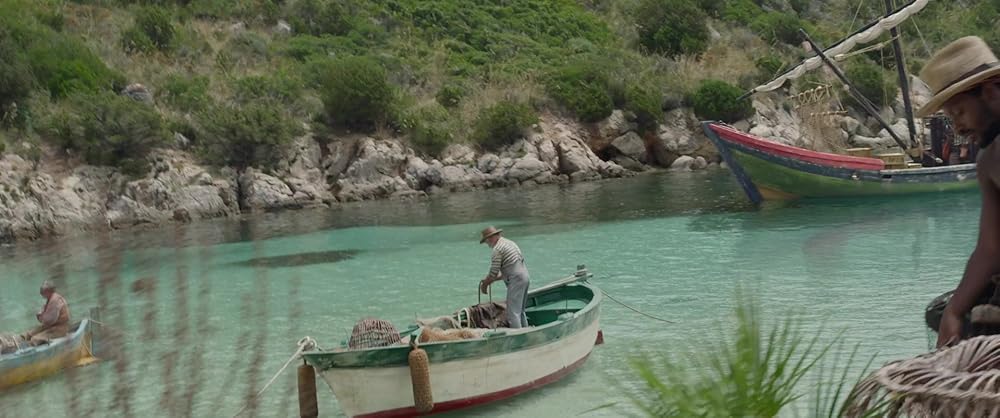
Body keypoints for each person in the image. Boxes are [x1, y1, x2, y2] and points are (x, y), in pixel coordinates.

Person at [915, 36, 1000, 348]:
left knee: (942, 315)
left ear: (989, 91)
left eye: (959, 112)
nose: (959, 128)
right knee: (943, 311)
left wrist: (954, 313)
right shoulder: (988, 158)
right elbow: (990, 249)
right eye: (951, 119)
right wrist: (954, 309)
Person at [478, 226, 531, 328]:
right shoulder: (510, 243)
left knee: (513, 314)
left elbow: (493, 273)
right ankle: (525, 331)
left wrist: (484, 285)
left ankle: (518, 338)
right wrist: (489, 280)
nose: (487, 243)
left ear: (491, 238)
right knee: (520, 311)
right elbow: (509, 270)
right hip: (524, 277)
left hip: (516, 280)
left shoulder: (497, 249)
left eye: (487, 241)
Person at [22, 280, 71, 346]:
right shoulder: (50, 299)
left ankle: (46, 342)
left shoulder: (54, 300)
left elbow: (49, 320)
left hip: (60, 329)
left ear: (48, 291)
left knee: (35, 339)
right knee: (29, 334)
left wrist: (40, 316)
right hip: (52, 326)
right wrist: (41, 315)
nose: (41, 293)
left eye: (43, 292)